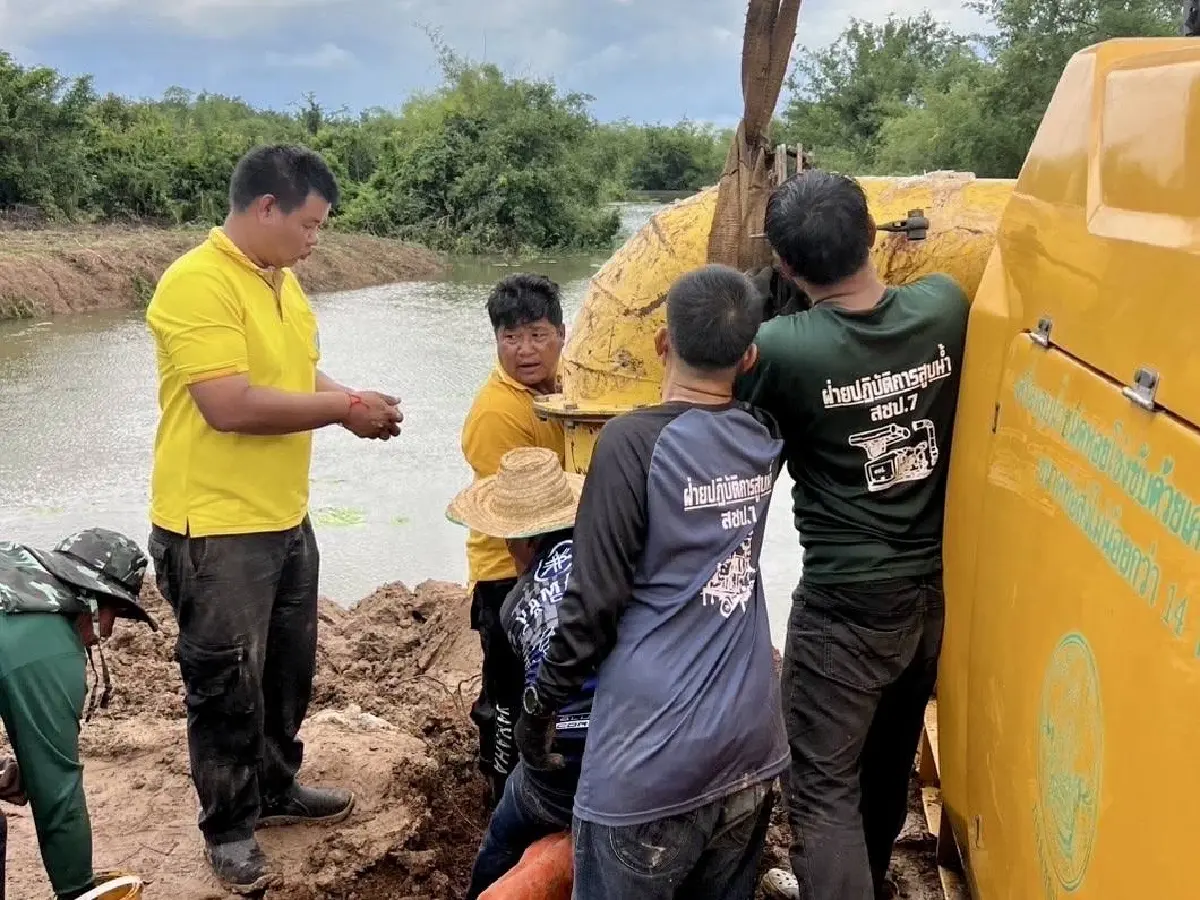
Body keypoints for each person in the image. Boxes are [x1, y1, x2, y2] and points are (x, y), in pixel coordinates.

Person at [144, 144, 403, 893]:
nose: (315, 241)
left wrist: (348, 398)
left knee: (288, 672)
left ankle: (276, 786)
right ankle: (228, 830)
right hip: (215, 528)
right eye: (311, 224)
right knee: (225, 682)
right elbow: (228, 406)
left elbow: (292, 377)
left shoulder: (280, 282)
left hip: (282, 516)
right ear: (266, 208)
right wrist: (343, 410)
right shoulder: (196, 284)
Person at [516, 264, 787, 900]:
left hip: (650, 759)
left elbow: (593, 604)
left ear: (662, 343)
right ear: (748, 356)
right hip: (750, 741)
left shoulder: (630, 444)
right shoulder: (765, 436)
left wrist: (540, 705)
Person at [735, 170, 969, 900]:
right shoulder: (945, 309)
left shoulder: (781, 348)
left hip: (846, 605)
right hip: (932, 599)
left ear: (785, 265)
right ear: (874, 236)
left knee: (822, 791)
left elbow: (723, 392)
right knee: (883, 768)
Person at [445, 446, 590, 898]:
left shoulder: (516, 603)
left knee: (504, 833)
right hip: (638, 743)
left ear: (526, 540)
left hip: (564, 758)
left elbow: (520, 707)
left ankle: (483, 889)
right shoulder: (616, 566)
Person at [0, 528, 157, 899]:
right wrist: (79, 891)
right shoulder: (47, 647)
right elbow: (59, 794)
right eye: (115, 613)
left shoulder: (11, 566)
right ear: (90, 600)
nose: (110, 630)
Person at [460, 274, 567, 807]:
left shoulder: (568, 387)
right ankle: (500, 788)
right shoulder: (498, 412)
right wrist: (538, 592)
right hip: (512, 570)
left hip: (557, 557)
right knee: (508, 694)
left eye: (537, 334)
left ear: (562, 335)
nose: (525, 350)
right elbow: (516, 527)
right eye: (510, 337)